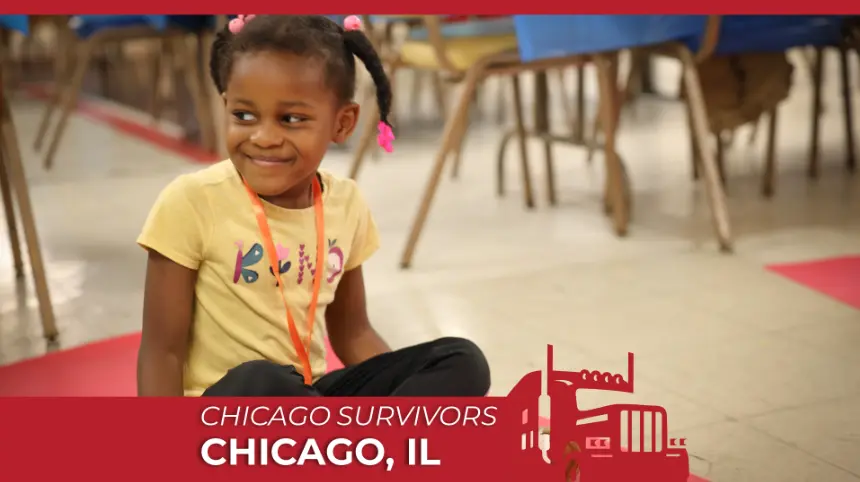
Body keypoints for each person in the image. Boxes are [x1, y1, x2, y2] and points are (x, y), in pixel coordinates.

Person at [136, 15, 490, 397]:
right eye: (243, 115)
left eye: (291, 119)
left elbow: (354, 333)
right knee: (261, 378)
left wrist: (394, 384)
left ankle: (357, 429)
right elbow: (162, 353)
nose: (263, 137)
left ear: (342, 123)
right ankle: (359, 431)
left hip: (308, 400)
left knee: (462, 359)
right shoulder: (191, 201)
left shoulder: (346, 204)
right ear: (226, 106)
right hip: (229, 409)